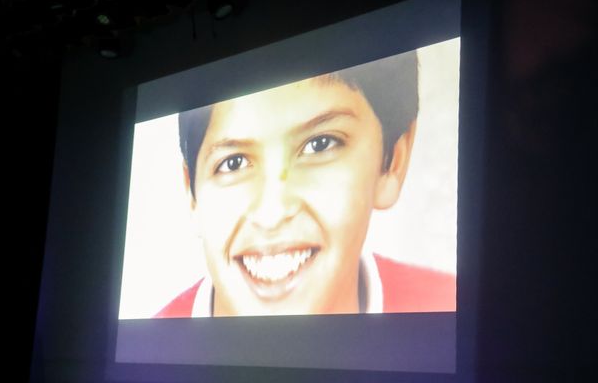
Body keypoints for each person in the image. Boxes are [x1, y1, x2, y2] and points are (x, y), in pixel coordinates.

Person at [155, 49, 455, 318]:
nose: (272, 214)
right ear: (192, 195)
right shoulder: (148, 354)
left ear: (392, 162)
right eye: (233, 163)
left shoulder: (451, 310)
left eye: (320, 145)